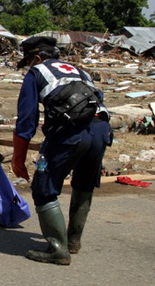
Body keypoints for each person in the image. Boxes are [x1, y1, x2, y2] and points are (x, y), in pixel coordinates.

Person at [11, 36, 113, 265]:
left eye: (28, 61)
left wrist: (18, 159)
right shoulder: (80, 72)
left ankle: (58, 249)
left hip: (69, 134)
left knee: (43, 188)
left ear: (36, 58)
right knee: (84, 184)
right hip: (101, 130)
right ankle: (73, 241)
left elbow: (26, 121)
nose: (28, 66)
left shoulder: (37, 72)